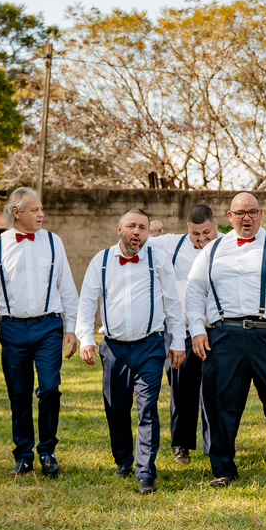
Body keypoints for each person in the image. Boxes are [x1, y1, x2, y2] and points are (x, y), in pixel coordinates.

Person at [187, 193, 266, 488]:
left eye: (252, 212)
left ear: (260, 214)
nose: (247, 218)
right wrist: (197, 330)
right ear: (229, 217)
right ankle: (223, 467)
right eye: (240, 213)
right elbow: (194, 291)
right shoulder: (213, 250)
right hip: (225, 335)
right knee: (221, 402)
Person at [0, 187, 79, 477]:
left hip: (48, 326)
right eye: (35, 209)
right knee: (19, 394)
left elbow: (67, 287)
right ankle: (24, 456)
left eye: (41, 209)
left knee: (50, 388)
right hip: (12, 328)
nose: (41, 214)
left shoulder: (54, 241)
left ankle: (47, 451)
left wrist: (72, 328)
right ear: (16, 212)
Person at [76, 208, 186, 495]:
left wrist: (178, 342)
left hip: (150, 345)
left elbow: (172, 302)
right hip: (113, 348)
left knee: (147, 408)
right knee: (116, 408)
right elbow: (86, 302)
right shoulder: (101, 261)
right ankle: (124, 460)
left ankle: (145, 471)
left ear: (148, 232)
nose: (137, 232)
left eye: (142, 228)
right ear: (119, 229)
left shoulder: (157, 259)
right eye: (131, 226)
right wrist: (85, 338)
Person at [146, 204, 221, 464]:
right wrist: (149, 230)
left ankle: (214, 445)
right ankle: (181, 444)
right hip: (182, 331)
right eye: (195, 234)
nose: (201, 239)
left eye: (206, 233)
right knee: (181, 391)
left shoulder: (227, 244)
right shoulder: (171, 244)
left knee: (214, 390)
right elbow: (135, 243)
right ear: (187, 228)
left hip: (216, 330)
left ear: (216, 225)